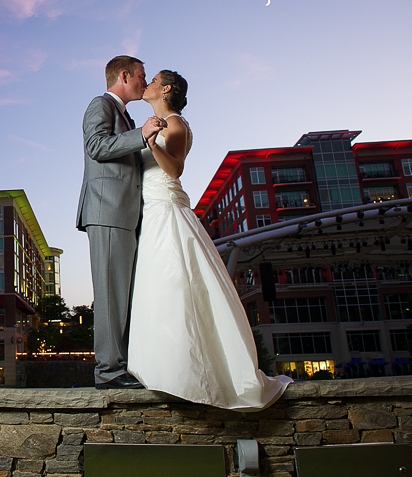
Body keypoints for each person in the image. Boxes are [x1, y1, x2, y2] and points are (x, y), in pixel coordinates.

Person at [126, 70, 291, 410]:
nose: (149, 84)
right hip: (153, 210)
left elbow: (174, 169)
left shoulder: (175, 124)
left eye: (154, 80)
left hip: (168, 209)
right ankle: (164, 370)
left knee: (177, 285)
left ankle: (192, 376)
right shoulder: (157, 122)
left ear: (166, 88)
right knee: (159, 288)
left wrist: (148, 142)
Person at [76, 55, 166, 389]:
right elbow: (96, 146)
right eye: (142, 76)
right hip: (107, 212)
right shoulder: (101, 104)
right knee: (111, 295)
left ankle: (123, 365)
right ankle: (108, 371)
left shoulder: (127, 117)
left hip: (127, 216)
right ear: (125, 76)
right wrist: (141, 134)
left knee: (125, 296)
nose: (144, 82)